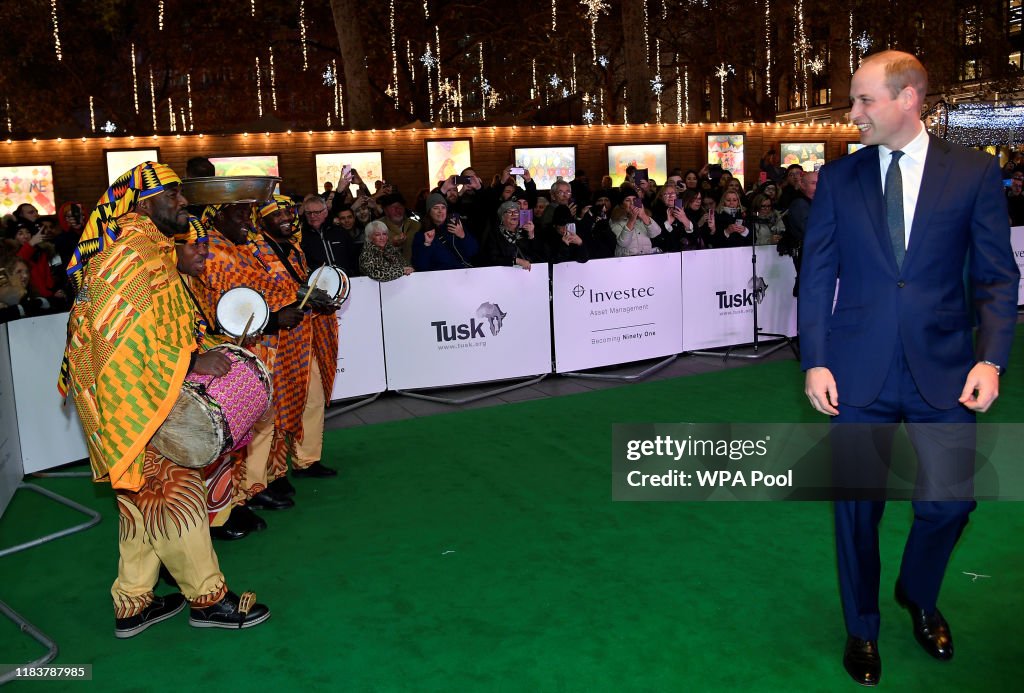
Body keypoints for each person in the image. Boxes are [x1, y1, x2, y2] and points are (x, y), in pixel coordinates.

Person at [799, 51, 1019, 687]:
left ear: (909, 98)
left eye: (865, 100)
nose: (853, 113)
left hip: (946, 370)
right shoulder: (840, 178)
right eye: (852, 100)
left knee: (951, 503)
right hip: (855, 371)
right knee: (855, 511)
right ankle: (861, 627)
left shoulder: (973, 173)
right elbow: (816, 279)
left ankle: (917, 591)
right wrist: (814, 360)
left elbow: (997, 279)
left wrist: (992, 358)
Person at [60, 162, 270, 637]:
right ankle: (208, 599)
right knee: (176, 494)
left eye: (180, 194)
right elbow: (123, 336)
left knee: (141, 498)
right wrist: (190, 363)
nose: (182, 202)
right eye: (171, 195)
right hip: (133, 399)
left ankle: (132, 602)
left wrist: (182, 278)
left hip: (144, 391)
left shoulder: (151, 251)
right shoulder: (128, 254)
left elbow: (163, 319)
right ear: (141, 204)